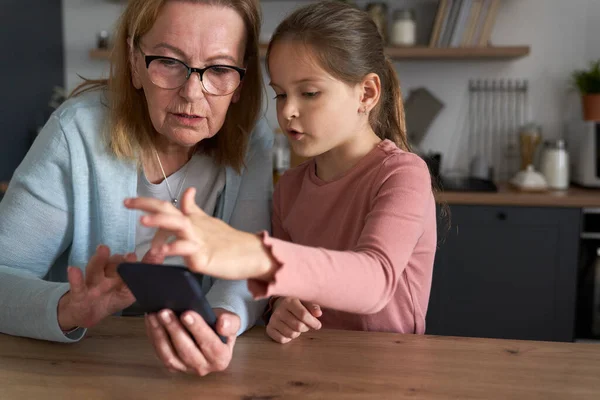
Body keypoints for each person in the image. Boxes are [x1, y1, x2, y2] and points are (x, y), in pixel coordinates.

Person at [126, 0, 437, 345]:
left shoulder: (403, 175)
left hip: (392, 372)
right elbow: (279, 293)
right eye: (280, 94)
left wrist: (253, 254)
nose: (288, 111)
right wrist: (282, 308)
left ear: (366, 93)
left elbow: (374, 281)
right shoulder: (289, 187)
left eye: (309, 93)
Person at [0, 0, 271, 376]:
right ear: (133, 62)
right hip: (84, 371)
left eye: (221, 68)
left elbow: (250, 262)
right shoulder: (76, 130)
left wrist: (221, 322)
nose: (192, 93)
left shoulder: (251, 136)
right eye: (169, 62)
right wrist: (68, 308)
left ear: (241, 81)